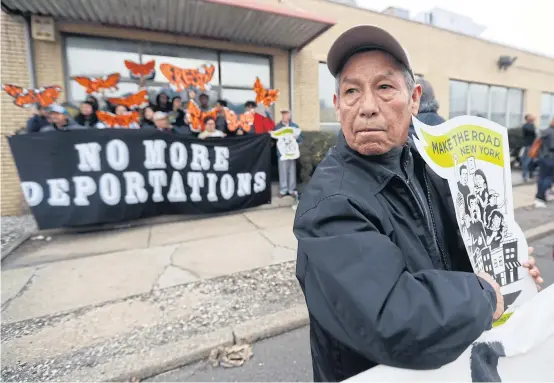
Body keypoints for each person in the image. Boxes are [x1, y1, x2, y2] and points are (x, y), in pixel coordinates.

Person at [293, 25, 543, 382]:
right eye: (351, 91)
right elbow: (393, 317)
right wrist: (485, 295)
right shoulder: (330, 203)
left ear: (413, 99)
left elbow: (464, 249)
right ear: (337, 106)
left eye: (384, 87)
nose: (367, 107)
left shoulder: (425, 165)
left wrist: (509, 275)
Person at [274, 109, 301, 197]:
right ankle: (283, 190)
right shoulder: (278, 127)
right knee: (282, 171)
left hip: (292, 153)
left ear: (290, 115)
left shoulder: (295, 126)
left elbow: (301, 138)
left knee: (292, 171)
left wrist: (297, 139)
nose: (285, 116)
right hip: (282, 153)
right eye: (283, 114)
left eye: (286, 114)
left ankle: (291, 190)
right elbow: (274, 139)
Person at [535, 117, 554, 208]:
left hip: (542, 157)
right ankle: (540, 198)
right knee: (548, 178)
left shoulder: (546, 131)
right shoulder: (552, 132)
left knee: (541, 178)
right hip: (551, 158)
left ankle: (540, 197)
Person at [521, 114, 537, 182]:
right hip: (529, 146)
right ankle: (525, 176)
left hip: (532, 146)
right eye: (531, 117)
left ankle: (531, 174)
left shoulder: (531, 125)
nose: (533, 117)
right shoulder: (527, 126)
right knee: (527, 161)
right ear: (527, 118)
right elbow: (533, 132)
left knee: (532, 161)